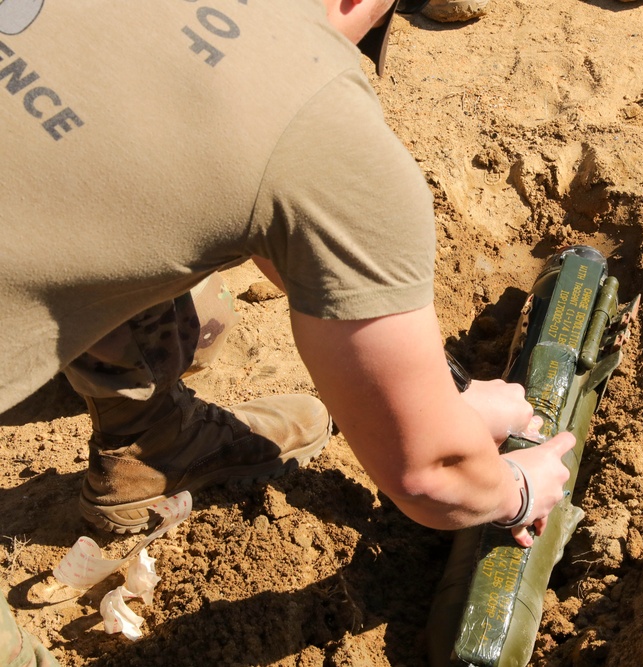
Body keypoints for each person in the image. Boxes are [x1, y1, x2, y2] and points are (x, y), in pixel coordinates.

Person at [0, 1, 575, 663]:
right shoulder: (313, 113)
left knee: (184, 278)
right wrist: (519, 488)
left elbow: (288, 237)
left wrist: (445, 392)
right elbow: (429, 474)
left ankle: (155, 445)